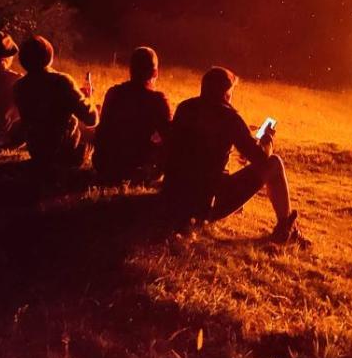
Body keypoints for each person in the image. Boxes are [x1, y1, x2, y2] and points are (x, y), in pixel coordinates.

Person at [162, 66, 301, 244]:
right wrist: (267, 140)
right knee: (274, 163)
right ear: (227, 92)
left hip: (173, 196)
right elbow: (261, 159)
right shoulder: (229, 117)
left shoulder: (185, 108)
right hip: (204, 205)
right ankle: (286, 227)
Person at [12, 35, 98, 170]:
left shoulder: (19, 86)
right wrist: (87, 99)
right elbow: (91, 119)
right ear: (49, 56)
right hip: (65, 153)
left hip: (37, 152)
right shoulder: (62, 81)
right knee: (98, 122)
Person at [94, 46, 173, 184]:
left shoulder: (114, 93)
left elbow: (102, 131)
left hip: (105, 164)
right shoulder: (158, 99)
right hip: (136, 166)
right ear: (155, 72)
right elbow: (170, 136)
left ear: (130, 69)